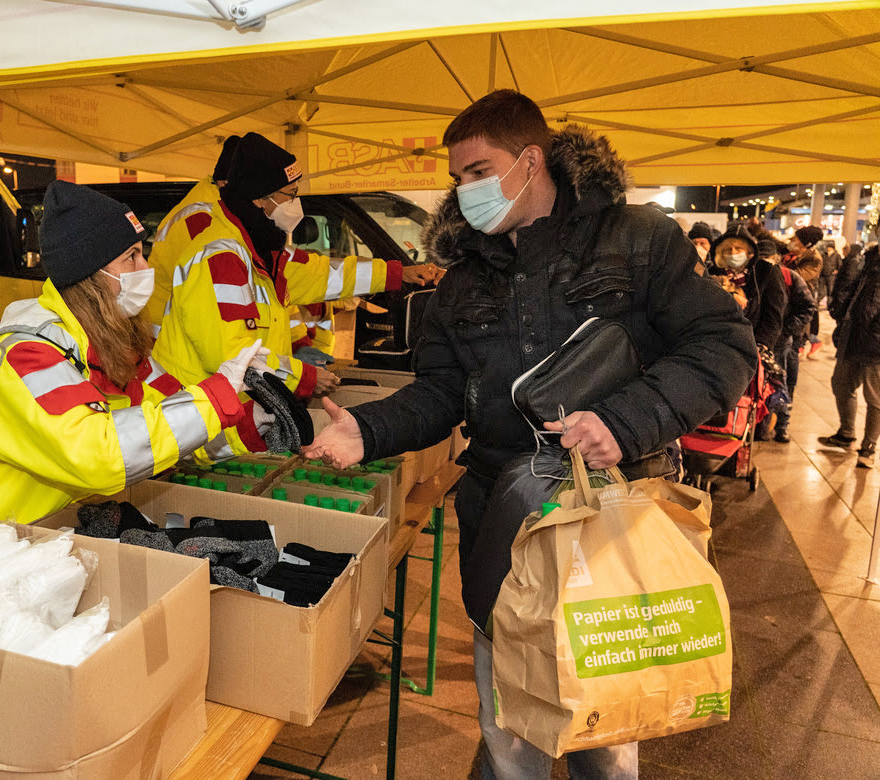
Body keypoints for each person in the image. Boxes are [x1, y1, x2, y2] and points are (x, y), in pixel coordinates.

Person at [303, 90, 756, 780]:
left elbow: (722, 346)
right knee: (509, 721)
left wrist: (624, 421)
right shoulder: (461, 280)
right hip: (504, 518)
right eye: (458, 178)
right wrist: (367, 430)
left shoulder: (637, 239)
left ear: (531, 160)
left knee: (607, 726)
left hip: (613, 515)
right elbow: (441, 392)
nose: (467, 192)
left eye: (480, 170)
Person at [0, 182, 274, 536]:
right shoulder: (27, 353)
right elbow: (99, 454)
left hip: (42, 534)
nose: (145, 266)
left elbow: (168, 427)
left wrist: (250, 420)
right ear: (90, 274)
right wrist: (216, 398)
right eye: (131, 257)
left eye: (142, 253)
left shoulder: (119, 348)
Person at [151, 131, 439, 400]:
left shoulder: (257, 247)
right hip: (198, 412)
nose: (295, 203)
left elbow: (318, 273)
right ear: (259, 199)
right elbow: (230, 354)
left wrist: (396, 273)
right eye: (290, 194)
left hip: (229, 407)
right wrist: (300, 377)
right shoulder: (220, 256)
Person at [145, 135, 241, 331]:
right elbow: (206, 287)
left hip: (169, 321)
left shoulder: (211, 206)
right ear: (224, 182)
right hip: (169, 328)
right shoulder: (204, 217)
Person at [821, 244, 880, 468]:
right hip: (853, 333)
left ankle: (870, 446)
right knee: (841, 384)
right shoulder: (868, 258)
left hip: (875, 341)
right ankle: (847, 434)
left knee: (874, 396)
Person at [759, 236, 815, 442]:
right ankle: (760, 425)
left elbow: (808, 307)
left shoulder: (789, 277)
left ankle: (782, 426)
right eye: (760, 257)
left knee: (778, 383)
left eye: (768, 257)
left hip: (780, 341)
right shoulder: (752, 276)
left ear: (776, 258)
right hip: (759, 339)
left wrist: (786, 329)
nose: (764, 261)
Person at [706, 225, 786, 350]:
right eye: (728, 249)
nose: (733, 253)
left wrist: (763, 344)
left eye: (738, 249)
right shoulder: (711, 272)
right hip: (716, 343)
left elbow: (773, 314)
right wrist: (730, 297)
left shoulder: (766, 271)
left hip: (752, 344)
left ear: (749, 252)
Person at [785, 225, 825, 355]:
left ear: (805, 244)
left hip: (799, 306)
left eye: (795, 238)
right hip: (788, 305)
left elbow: (795, 276)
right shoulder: (792, 255)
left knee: (792, 351)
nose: (791, 239)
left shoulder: (813, 259)